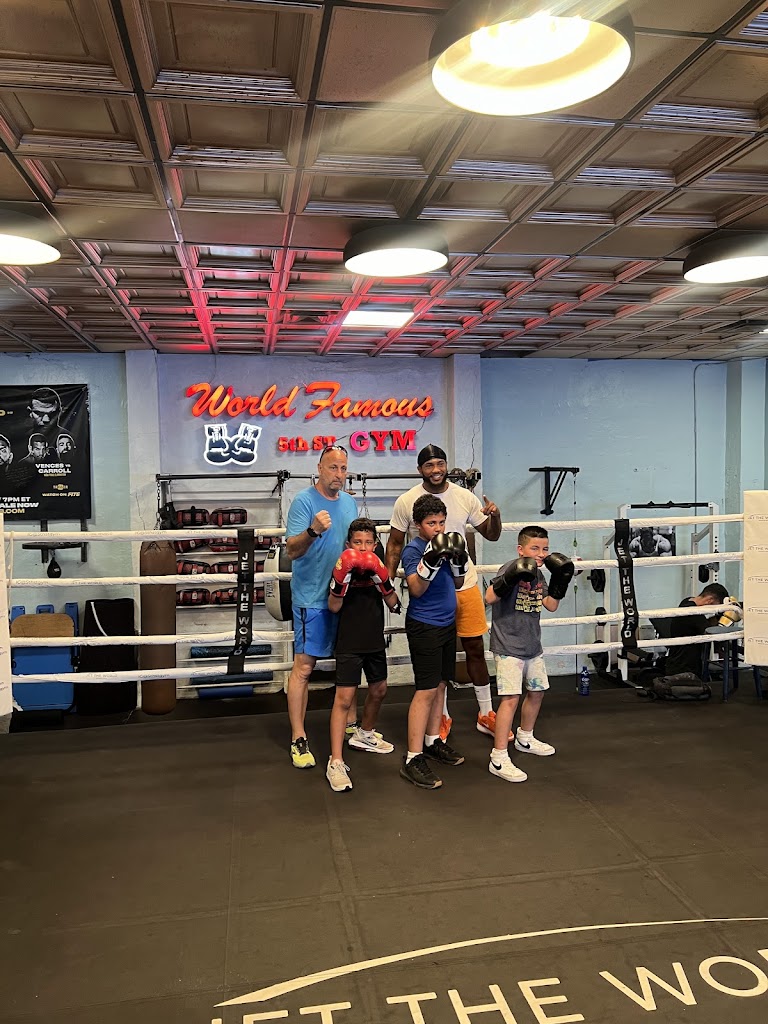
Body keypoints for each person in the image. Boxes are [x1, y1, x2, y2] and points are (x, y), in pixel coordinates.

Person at [386, 443, 502, 741]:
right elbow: (395, 544)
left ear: (446, 465)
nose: (436, 470)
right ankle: (442, 717)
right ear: (420, 469)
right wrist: (387, 586)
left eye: (440, 464)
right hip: (431, 589)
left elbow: (491, 534)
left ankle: (486, 713)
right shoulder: (407, 501)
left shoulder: (464, 497)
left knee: (474, 648)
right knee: (440, 656)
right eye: (429, 465)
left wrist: (496, 516)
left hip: (464, 583)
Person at [284, 444, 358, 769]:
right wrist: (312, 530)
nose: (338, 474)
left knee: (349, 660)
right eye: (332, 467)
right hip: (311, 598)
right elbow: (291, 550)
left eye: (343, 468)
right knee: (304, 667)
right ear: (319, 468)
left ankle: (351, 724)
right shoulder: (303, 501)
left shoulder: (350, 503)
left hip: (344, 596)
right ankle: (298, 737)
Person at [485, 525, 574, 784]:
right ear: (520, 549)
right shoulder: (509, 567)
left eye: (545, 548)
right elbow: (489, 598)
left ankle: (525, 737)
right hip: (508, 646)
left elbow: (551, 605)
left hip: (532, 645)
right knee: (510, 699)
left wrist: (561, 580)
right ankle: (498, 757)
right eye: (535, 548)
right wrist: (511, 577)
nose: (541, 553)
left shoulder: (540, 575)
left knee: (537, 692)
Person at [325, 518, 401, 792]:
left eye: (368, 542)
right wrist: (341, 582)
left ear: (376, 544)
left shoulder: (377, 567)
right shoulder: (341, 568)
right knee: (344, 700)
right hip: (349, 642)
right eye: (358, 542)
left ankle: (365, 734)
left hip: (374, 639)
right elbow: (333, 607)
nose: (363, 547)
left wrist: (383, 581)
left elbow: (394, 605)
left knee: (379, 690)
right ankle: (335, 761)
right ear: (349, 544)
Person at [399, 494, 467, 790]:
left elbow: (459, 583)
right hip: (424, 626)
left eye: (441, 522)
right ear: (418, 524)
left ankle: (432, 741)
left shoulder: (448, 544)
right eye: (431, 523)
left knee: (440, 685)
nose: (437, 528)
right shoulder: (413, 550)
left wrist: (458, 560)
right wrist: (431, 559)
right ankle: (413, 758)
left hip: (447, 623)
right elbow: (416, 590)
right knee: (425, 690)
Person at [662, 582, 729, 677]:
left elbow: (704, 624)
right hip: (684, 670)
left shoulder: (687, 601)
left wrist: (719, 616)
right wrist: (728, 619)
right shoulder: (692, 612)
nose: (715, 610)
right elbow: (713, 635)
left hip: (677, 664)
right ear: (710, 600)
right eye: (716, 607)